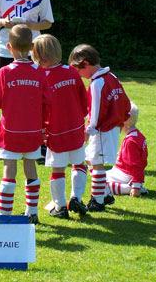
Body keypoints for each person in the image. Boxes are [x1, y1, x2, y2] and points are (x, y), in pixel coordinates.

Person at [0, 24, 48, 224]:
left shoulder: (4, 73)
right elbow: (47, 101)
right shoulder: (40, 72)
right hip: (33, 132)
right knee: (31, 168)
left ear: (9, 47)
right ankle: (32, 212)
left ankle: (4, 214)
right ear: (31, 47)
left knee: (9, 170)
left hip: (10, 131)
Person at [32, 34, 89, 219]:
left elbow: (39, 107)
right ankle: (76, 197)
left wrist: (40, 130)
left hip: (55, 131)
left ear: (40, 56)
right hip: (76, 128)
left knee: (58, 169)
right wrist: (82, 118)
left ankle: (60, 206)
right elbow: (83, 99)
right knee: (79, 164)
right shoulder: (72, 71)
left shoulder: (40, 76)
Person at [68, 44, 131, 212]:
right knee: (92, 160)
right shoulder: (112, 76)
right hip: (112, 127)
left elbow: (95, 111)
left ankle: (97, 201)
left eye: (78, 70)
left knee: (96, 163)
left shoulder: (97, 83)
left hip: (101, 130)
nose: (79, 75)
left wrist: (89, 130)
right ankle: (106, 193)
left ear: (86, 64)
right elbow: (125, 102)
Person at [104, 102, 148, 202]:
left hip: (125, 174)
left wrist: (135, 186)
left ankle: (129, 188)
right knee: (101, 176)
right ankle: (134, 184)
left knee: (99, 180)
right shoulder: (138, 136)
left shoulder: (131, 141)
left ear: (124, 121)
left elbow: (136, 165)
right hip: (126, 172)